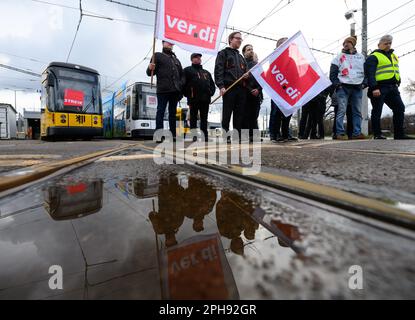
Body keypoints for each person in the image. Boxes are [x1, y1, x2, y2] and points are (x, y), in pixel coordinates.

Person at [365, 35, 413, 140]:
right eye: (385, 43)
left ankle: (399, 134)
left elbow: (395, 69)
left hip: (393, 87)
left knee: (399, 108)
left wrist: (398, 80)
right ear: (379, 45)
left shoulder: (393, 56)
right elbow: (370, 74)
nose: (388, 45)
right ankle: (377, 134)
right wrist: (374, 88)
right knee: (377, 110)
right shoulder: (373, 56)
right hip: (379, 87)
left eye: (389, 43)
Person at [330, 36, 367, 140]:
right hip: (343, 87)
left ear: (353, 44)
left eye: (348, 42)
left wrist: (364, 83)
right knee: (341, 110)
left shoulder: (361, 57)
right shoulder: (338, 57)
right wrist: (338, 85)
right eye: (344, 43)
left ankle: (357, 133)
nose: (346, 44)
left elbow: (366, 71)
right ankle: (340, 133)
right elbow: (332, 74)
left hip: (357, 87)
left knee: (357, 111)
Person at [214, 31, 249, 143]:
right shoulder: (223, 53)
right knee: (227, 113)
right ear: (230, 39)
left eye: (240, 39)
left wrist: (247, 74)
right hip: (229, 87)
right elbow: (218, 70)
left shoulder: (241, 57)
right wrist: (221, 86)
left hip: (241, 88)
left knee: (239, 113)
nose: (239, 40)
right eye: (237, 38)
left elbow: (246, 71)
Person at [146, 41, 184, 142]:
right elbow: (149, 73)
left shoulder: (176, 60)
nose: (170, 44)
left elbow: (181, 75)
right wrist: (150, 68)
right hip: (163, 89)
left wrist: (180, 88)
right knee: (160, 112)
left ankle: (173, 135)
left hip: (175, 90)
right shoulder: (157, 55)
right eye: (168, 42)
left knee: (172, 113)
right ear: (163, 43)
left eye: (172, 43)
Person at [270, 37, 298, 143]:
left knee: (288, 112)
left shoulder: (291, 60)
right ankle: (275, 134)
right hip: (277, 90)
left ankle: (286, 134)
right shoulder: (274, 57)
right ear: (279, 46)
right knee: (276, 113)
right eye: (285, 43)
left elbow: (295, 75)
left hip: (288, 90)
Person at [183, 53, 216, 142]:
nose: (198, 59)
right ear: (192, 59)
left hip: (205, 99)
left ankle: (204, 136)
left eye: (199, 57)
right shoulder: (187, 70)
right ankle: (194, 136)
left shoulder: (206, 72)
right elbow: (183, 84)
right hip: (193, 99)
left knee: (204, 118)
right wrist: (188, 94)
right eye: (196, 57)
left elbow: (212, 85)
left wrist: (210, 93)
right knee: (193, 118)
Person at [242, 44, 263, 143]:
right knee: (245, 115)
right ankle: (246, 136)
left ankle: (254, 136)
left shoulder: (258, 65)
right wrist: (250, 89)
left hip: (256, 93)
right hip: (246, 93)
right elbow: (241, 80)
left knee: (255, 115)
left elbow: (263, 80)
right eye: (248, 49)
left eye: (252, 49)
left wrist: (258, 89)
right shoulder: (242, 64)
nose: (251, 51)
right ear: (244, 52)